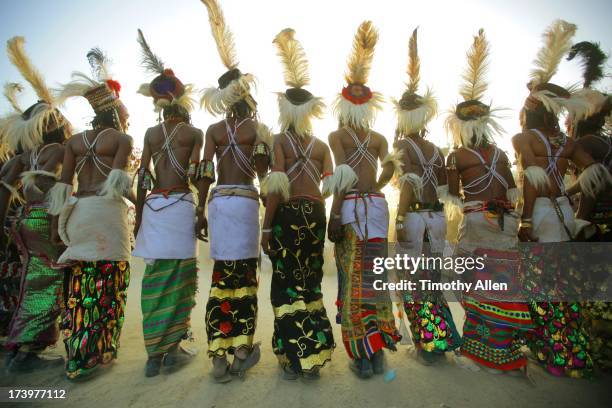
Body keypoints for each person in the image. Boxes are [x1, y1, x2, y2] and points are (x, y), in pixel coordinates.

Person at [512, 20, 610, 378]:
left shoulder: (525, 139)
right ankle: (576, 356)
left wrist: (524, 219)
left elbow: (531, 183)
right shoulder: (566, 143)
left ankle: (556, 355)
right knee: (564, 286)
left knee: (541, 286)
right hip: (565, 214)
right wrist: (569, 195)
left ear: (533, 108)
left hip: (540, 214)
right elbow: (595, 172)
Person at [444, 29, 533, 375]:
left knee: (472, 283)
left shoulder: (457, 154)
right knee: (503, 284)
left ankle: (480, 351)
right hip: (506, 221)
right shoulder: (498, 152)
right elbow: (512, 190)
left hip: (479, 222)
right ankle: (503, 352)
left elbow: (453, 196)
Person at [49, 48, 133, 380]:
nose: (126, 120)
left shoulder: (74, 142)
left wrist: (58, 224)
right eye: (123, 115)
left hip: (79, 213)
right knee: (109, 281)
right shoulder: (121, 139)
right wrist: (142, 204)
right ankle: (100, 353)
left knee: (83, 283)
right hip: (107, 216)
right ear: (114, 115)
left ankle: (77, 354)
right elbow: (118, 185)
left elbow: (62, 186)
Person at [199, 0, 270, 382]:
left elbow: (203, 174)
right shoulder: (256, 129)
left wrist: (199, 211)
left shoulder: (212, 131)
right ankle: (241, 346)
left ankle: (217, 354)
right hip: (244, 204)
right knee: (245, 277)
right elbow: (263, 172)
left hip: (218, 206)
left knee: (221, 277)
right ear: (245, 94)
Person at [327, 20, 401, 379]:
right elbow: (390, 170)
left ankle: (363, 351)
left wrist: (335, 213)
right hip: (375, 205)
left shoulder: (337, 134)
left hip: (353, 206)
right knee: (374, 277)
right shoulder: (377, 137)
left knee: (353, 278)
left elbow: (342, 178)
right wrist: (379, 189)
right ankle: (376, 348)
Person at [260, 28, 335, 380]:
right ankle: (314, 351)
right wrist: (313, 202)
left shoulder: (279, 140)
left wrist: (265, 225)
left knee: (286, 281)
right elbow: (330, 184)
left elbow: (276, 187)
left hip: (288, 213)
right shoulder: (320, 145)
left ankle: (293, 356)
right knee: (310, 279)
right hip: (315, 212)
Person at [133, 29, 202, 377]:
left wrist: (138, 216)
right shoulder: (195, 134)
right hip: (179, 209)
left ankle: (152, 354)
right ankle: (172, 350)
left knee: (155, 279)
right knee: (181, 279)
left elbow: (142, 177)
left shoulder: (150, 134)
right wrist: (202, 210)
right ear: (183, 101)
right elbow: (200, 173)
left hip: (154, 209)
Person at [0, 38, 71, 372]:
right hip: (46, 221)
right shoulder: (58, 152)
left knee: (33, 281)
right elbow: (59, 195)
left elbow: (3, 188)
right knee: (49, 282)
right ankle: (28, 352)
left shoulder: (23, 157)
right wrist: (58, 227)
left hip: (24, 224)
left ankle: (19, 348)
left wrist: (6, 227)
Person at [392, 28, 461, 364]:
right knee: (432, 280)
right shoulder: (435, 147)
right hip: (437, 219)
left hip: (417, 218)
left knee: (414, 280)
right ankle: (442, 340)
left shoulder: (404, 144)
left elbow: (406, 184)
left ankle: (428, 345)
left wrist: (401, 219)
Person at [566, 41, 612, 372]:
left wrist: (580, 221)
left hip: (598, 224)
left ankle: (597, 355)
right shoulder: (605, 142)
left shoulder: (584, 144)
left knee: (593, 294)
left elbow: (593, 181)